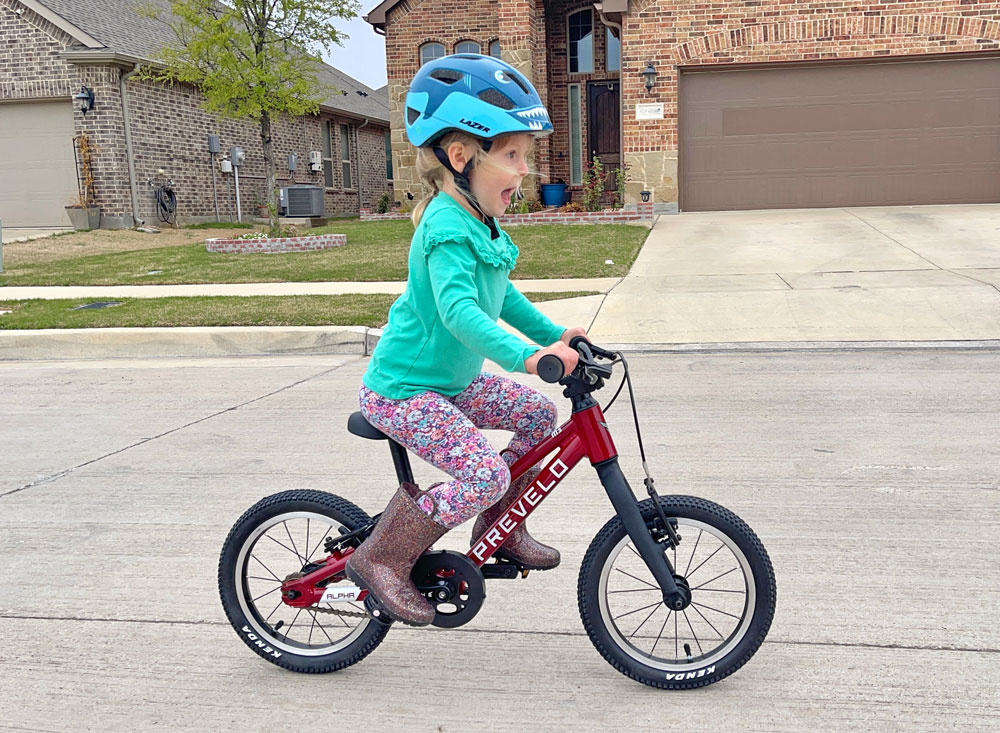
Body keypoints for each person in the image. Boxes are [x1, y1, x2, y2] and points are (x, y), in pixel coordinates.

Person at [345, 53, 586, 626]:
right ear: (461, 157)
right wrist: (528, 356)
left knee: (533, 415)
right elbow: (460, 314)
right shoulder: (445, 228)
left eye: (523, 156)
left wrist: (556, 336)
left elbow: (500, 297)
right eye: (511, 155)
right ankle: (382, 557)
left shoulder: (481, 223)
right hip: (404, 390)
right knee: (484, 473)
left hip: (448, 384)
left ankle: (500, 527)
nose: (524, 169)